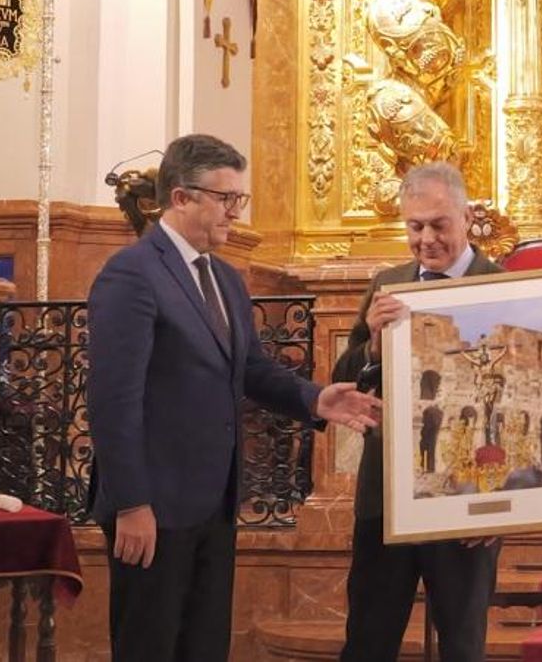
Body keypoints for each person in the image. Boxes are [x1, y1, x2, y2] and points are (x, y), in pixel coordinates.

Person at [87, 133, 382, 662]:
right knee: (150, 647)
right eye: (226, 199)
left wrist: (316, 400)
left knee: (204, 647)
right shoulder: (131, 274)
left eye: (239, 199)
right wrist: (131, 503)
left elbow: (250, 369)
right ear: (181, 197)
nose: (236, 213)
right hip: (153, 505)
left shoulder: (224, 277)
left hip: (214, 502)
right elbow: (113, 400)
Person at [332, 161, 504, 662]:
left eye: (439, 225)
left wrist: (502, 501)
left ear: (466, 217)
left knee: (462, 643)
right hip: (386, 496)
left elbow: (516, 398)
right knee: (368, 639)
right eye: (415, 226)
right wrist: (373, 346)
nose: (426, 239)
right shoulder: (388, 284)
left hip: (468, 499)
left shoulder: (505, 285)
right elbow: (345, 379)